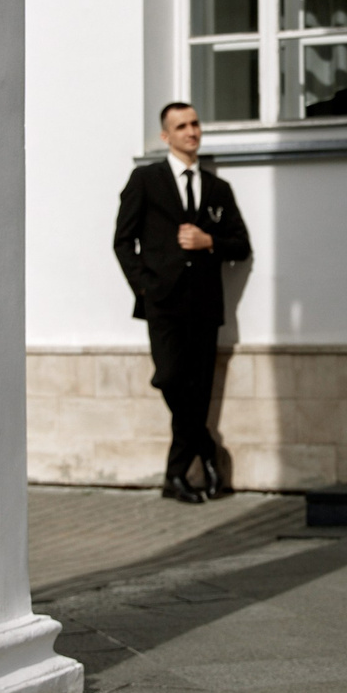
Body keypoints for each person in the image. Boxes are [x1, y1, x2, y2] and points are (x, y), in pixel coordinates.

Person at [113, 102, 253, 502]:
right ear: (166, 136)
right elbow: (123, 241)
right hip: (163, 303)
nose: (191, 132)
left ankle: (175, 477)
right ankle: (207, 451)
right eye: (181, 126)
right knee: (171, 378)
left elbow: (241, 246)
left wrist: (210, 242)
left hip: (206, 306)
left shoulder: (217, 189)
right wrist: (145, 287)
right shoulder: (145, 179)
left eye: (194, 124)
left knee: (199, 389)